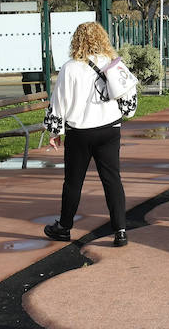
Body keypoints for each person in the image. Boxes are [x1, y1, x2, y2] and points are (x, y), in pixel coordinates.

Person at [43, 22, 128, 248]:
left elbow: (59, 102)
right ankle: (120, 230)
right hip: (110, 128)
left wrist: (54, 131)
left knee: (73, 182)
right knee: (112, 179)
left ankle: (64, 226)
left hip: (80, 132)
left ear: (76, 41)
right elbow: (128, 96)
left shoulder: (69, 68)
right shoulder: (113, 63)